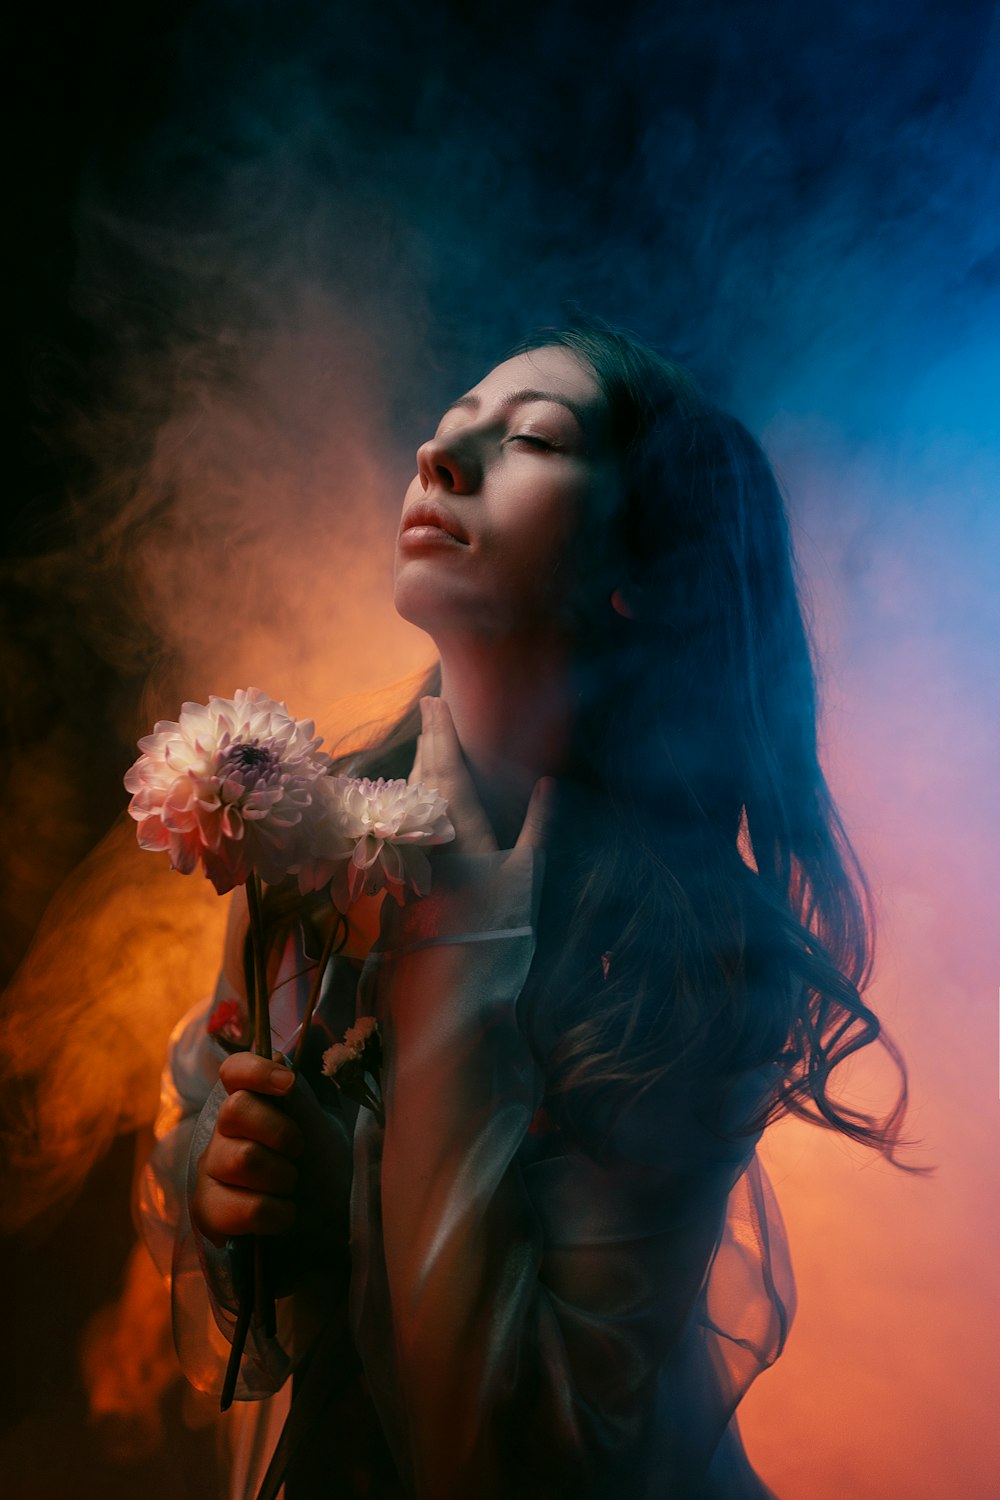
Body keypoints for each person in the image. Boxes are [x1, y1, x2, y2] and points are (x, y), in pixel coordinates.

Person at [139, 322, 924, 1499]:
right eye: (453, 417)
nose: (438, 451)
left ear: (639, 573)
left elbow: (505, 1454)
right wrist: (249, 1193)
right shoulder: (292, 857)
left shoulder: (695, 961)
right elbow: (267, 1294)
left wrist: (450, 950)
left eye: (532, 439)